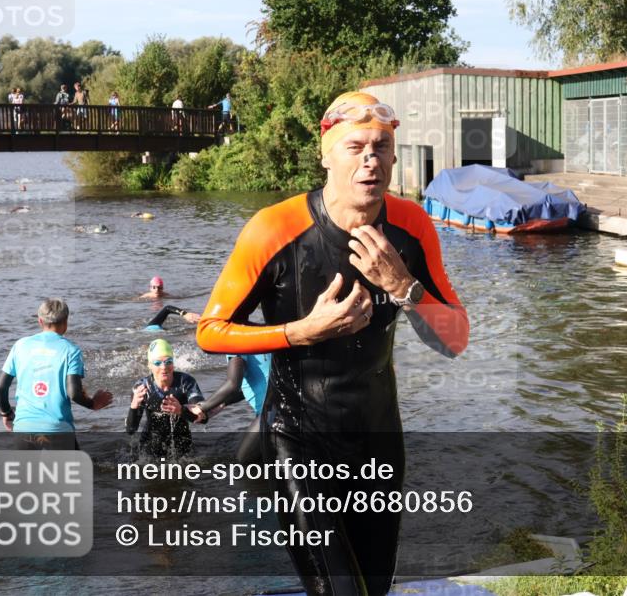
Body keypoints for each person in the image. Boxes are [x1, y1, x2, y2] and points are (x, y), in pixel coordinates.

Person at [196, 91, 469, 595]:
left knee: (375, 587)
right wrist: (302, 331)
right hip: (297, 437)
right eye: (356, 146)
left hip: (378, 437)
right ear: (325, 154)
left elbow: (455, 340)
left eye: (382, 146)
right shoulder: (274, 228)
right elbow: (210, 333)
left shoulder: (412, 226)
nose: (371, 160)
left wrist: (403, 287)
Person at [0, 299, 113, 450]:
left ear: (40, 321)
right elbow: (74, 392)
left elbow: (0, 388)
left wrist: (7, 413)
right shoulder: (71, 350)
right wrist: (93, 404)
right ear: (66, 322)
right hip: (58, 430)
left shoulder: (20, 345)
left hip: (24, 427)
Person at [125, 339, 206, 459]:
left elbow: (203, 418)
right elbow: (131, 430)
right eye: (157, 363)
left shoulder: (186, 382)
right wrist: (134, 406)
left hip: (182, 447)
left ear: (173, 363)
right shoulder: (142, 387)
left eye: (168, 361)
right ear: (150, 366)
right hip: (149, 450)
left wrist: (181, 411)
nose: (164, 367)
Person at [189, 353, 270, 463]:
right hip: (284, 405)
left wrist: (202, 407)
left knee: (244, 460)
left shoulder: (237, 347)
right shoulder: (260, 343)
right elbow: (253, 385)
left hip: (271, 412)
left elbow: (233, 384)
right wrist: (222, 404)